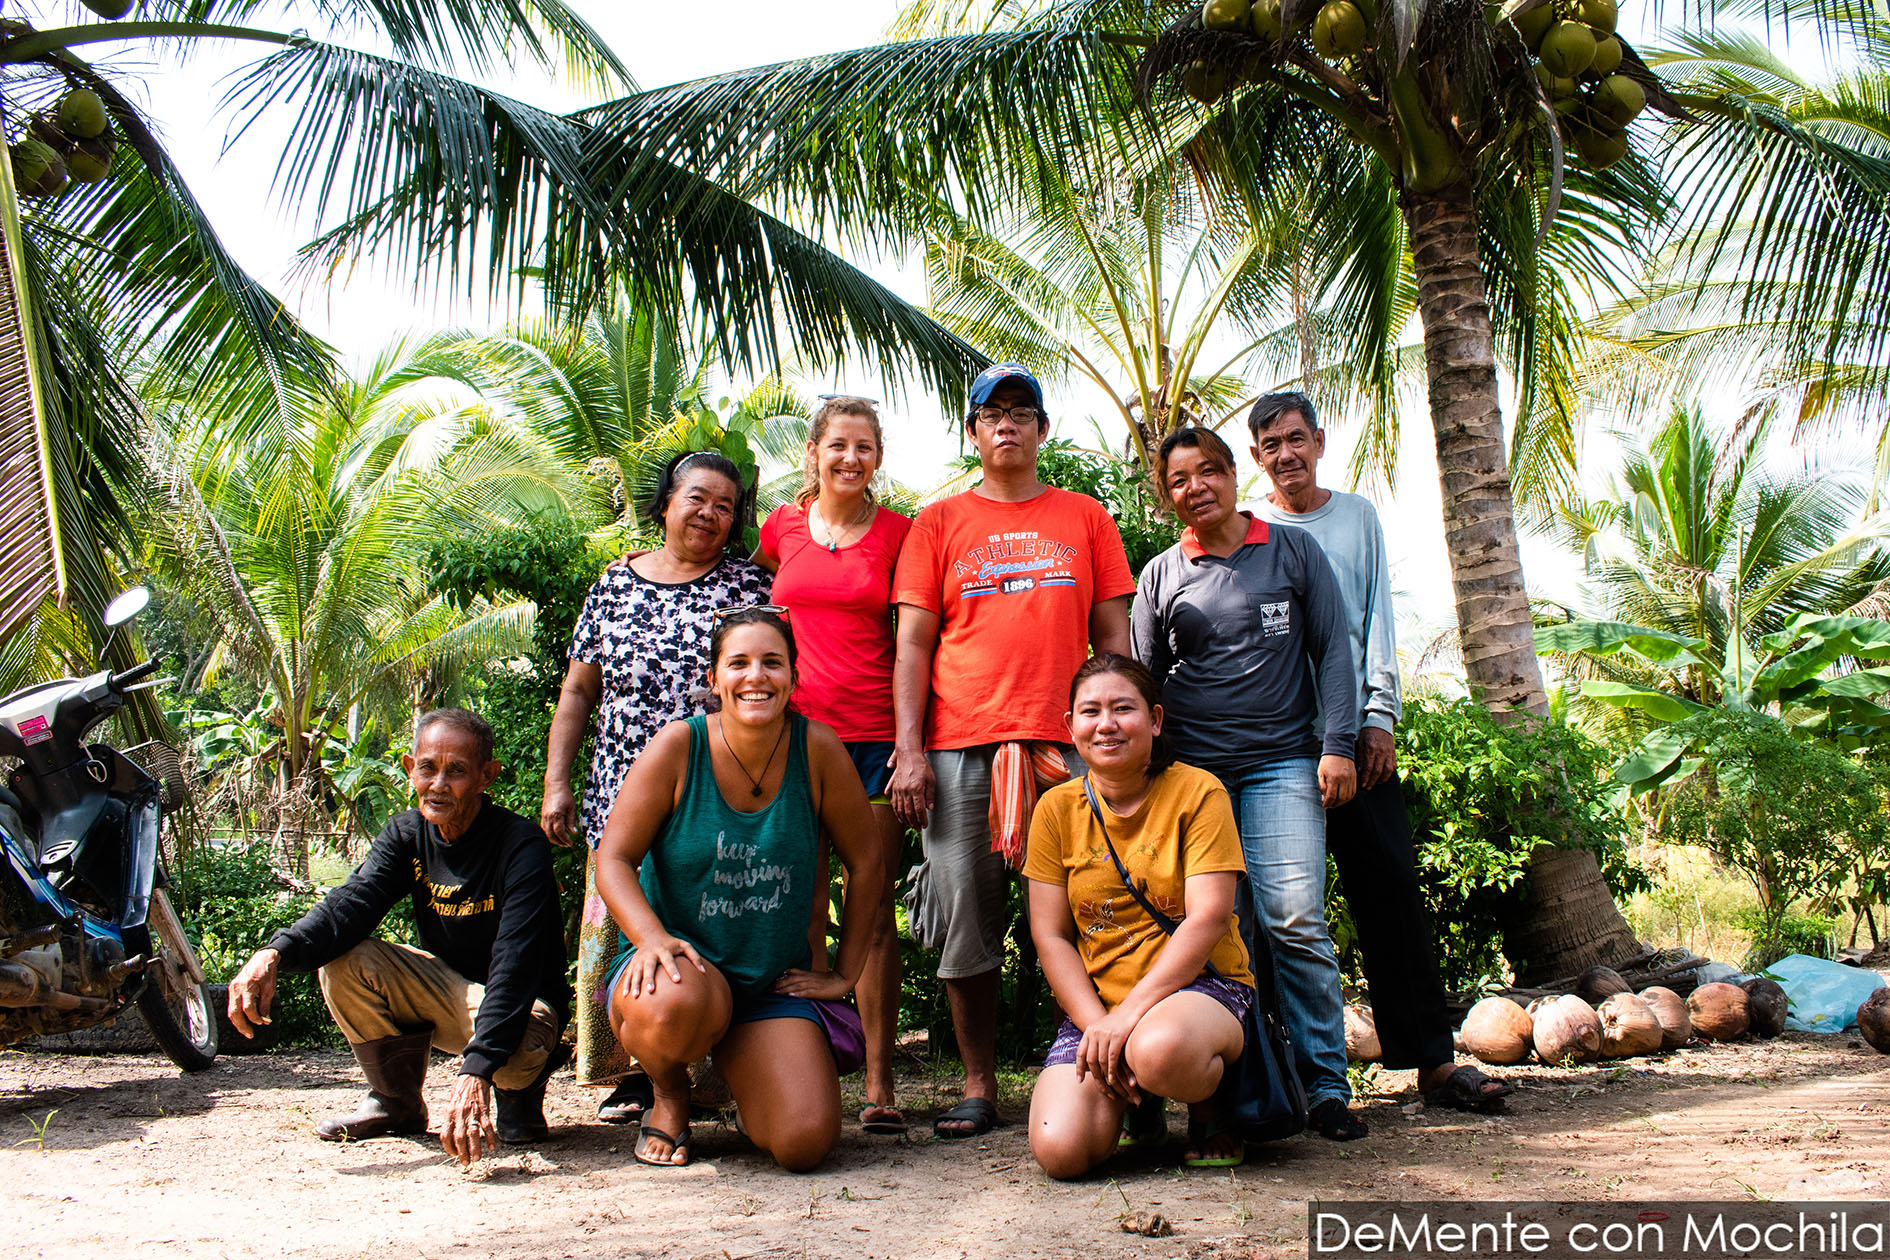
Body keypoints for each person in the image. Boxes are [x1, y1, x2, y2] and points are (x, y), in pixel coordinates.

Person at [1247, 391, 1514, 1113]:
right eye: (1271, 446)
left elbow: (1374, 622)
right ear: (1255, 457)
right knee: (1274, 914)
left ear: (1319, 440)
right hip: (1276, 747)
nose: (1286, 455)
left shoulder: (1357, 517)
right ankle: (1284, 1073)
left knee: (1390, 886)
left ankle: (1433, 1062)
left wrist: (1378, 718)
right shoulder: (1249, 529)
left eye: (1295, 439)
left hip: (1354, 738)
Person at [890, 362, 1135, 1139]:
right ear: (973, 431)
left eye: (1022, 411)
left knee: (1096, 907)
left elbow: (1114, 637)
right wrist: (908, 750)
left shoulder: (1086, 518)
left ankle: (1105, 1070)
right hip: (961, 745)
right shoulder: (937, 524)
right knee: (966, 908)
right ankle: (978, 1082)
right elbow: (913, 645)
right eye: (991, 413)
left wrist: (1122, 736)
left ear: (1042, 429)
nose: (1007, 423)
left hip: (1069, 746)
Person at [1132, 425, 1368, 1141]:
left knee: (1294, 918)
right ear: (1167, 496)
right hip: (1195, 779)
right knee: (1216, 932)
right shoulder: (1161, 574)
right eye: (1178, 480)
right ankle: (1243, 1090)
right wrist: (1146, 783)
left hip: (1282, 763)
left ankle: (1326, 1087)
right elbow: (1145, 685)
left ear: (1234, 474)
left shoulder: (1292, 551)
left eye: (1207, 471)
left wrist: (1339, 745)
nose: (1195, 487)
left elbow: (1332, 650)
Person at [595, 608, 884, 1170]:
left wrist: (845, 972)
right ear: (714, 678)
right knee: (673, 1003)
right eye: (739, 663)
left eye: (772, 662)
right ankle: (670, 1094)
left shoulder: (817, 749)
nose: (756, 676)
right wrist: (651, 939)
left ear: (794, 676)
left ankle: (748, 1088)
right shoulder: (680, 746)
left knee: (804, 1142)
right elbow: (614, 858)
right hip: (680, 970)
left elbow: (867, 860)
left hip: (770, 984)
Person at [225, 709, 568, 1165]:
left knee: (518, 1045)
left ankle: (519, 1096)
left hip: (521, 1005)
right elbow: (350, 905)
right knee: (346, 961)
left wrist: (476, 1069)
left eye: (456, 771)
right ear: (410, 769)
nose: (438, 784)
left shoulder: (520, 844)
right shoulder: (406, 834)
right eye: (428, 768)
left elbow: (516, 961)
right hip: (448, 993)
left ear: (486, 776)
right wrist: (273, 952)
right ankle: (395, 1101)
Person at [540, 450, 773, 1122]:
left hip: (711, 797)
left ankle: (719, 1078)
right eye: (697, 498)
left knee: (711, 927)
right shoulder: (615, 583)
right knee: (627, 928)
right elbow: (579, 691)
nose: (710, 514)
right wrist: (557, 782)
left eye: (726, 506)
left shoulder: (748, 588)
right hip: (620, 793)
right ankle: (641, 1074)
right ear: (666, 503)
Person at [1024, 655, 1255, 1178]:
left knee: (1159, 1049)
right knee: (1061, 1149)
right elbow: (1051, 935)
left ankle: (1211, 1106)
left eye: (1122, 709)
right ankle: (1140, 1106)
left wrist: (1126, 1021)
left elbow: (1208, 917)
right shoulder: (1055, 809)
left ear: (1154, 720)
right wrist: (1099, 1027)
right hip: (1102, 1006)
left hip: (1201, 989)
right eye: (1091, 712)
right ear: (1071, 727)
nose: (1106, 724)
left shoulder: (1198, 791)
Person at [755, 395, 913, 1134]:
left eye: (864, 447)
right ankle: (816, 1069)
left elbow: (919, 638)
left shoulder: (901, 534)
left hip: (876, 739)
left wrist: (914, 743)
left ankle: (880, 1081)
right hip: (796, 740)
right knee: (803, 906)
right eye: (838, 445)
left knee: (872, 910)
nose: (851, 458)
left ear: (877, 459)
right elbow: (749, 598)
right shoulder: (781, 527)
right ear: (813, 452)